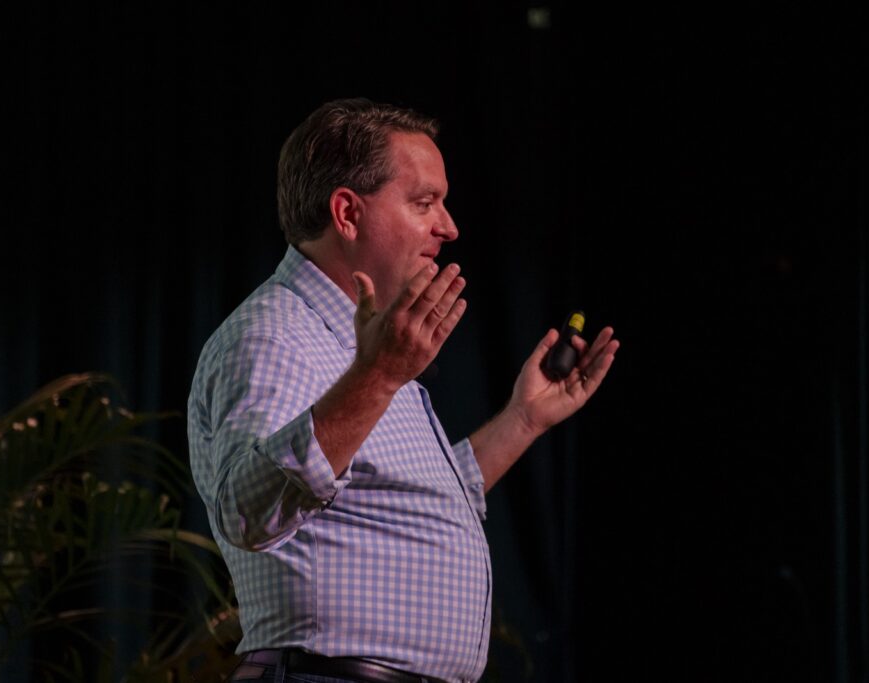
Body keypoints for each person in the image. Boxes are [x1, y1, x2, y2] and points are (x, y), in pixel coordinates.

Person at [187, 98, 619, 683]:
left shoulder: (361, 343)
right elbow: (245, 512)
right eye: (424, 202)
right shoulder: (274, 335)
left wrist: (523, 419)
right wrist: (379, 377)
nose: (449, 226)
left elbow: (410, 500)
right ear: (347, 213)